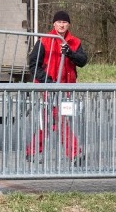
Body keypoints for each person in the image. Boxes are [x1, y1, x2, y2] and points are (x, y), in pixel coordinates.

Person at [25, 10, 88, 163]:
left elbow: (83, 61)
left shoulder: (74, 42)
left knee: (49, 121)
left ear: (69, 24)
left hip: (67, 89)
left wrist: (70, 53)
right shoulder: (44, 40)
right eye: (59, 22)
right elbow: (33, 65)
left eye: (64, 22)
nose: (62, 24)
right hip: (48, 88)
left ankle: (32, 151)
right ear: (54, 24)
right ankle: (74, 154)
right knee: (59, 119)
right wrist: (47, 80)